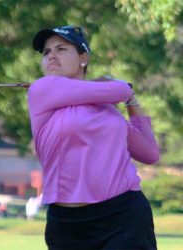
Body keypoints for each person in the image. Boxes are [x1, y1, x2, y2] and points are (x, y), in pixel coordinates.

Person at [27, 25, 160, 249]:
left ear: (83, 58)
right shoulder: (42, 89)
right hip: (67, 224)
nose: (51, 56)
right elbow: (120, 90)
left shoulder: (108, 111)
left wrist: (133, 103)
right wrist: (118, 87)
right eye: (46, 52)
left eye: (61, 49)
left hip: (124, 215)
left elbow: (149, 153)